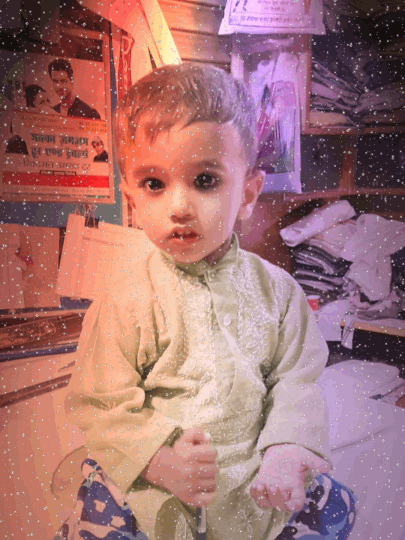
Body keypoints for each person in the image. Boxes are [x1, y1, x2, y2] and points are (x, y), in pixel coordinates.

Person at [54, 64, 356, 540]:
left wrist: (286, 452)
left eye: (205, 181)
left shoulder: (279, 294)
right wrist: (158, 462)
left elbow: (297, 382)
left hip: (253, 480)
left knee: (332, 503)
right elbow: (101, 404)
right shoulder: (124, 298)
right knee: (96, 502)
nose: (179, 207)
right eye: (155, 184)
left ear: (248, 193)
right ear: (131, 198)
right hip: (155, 485)